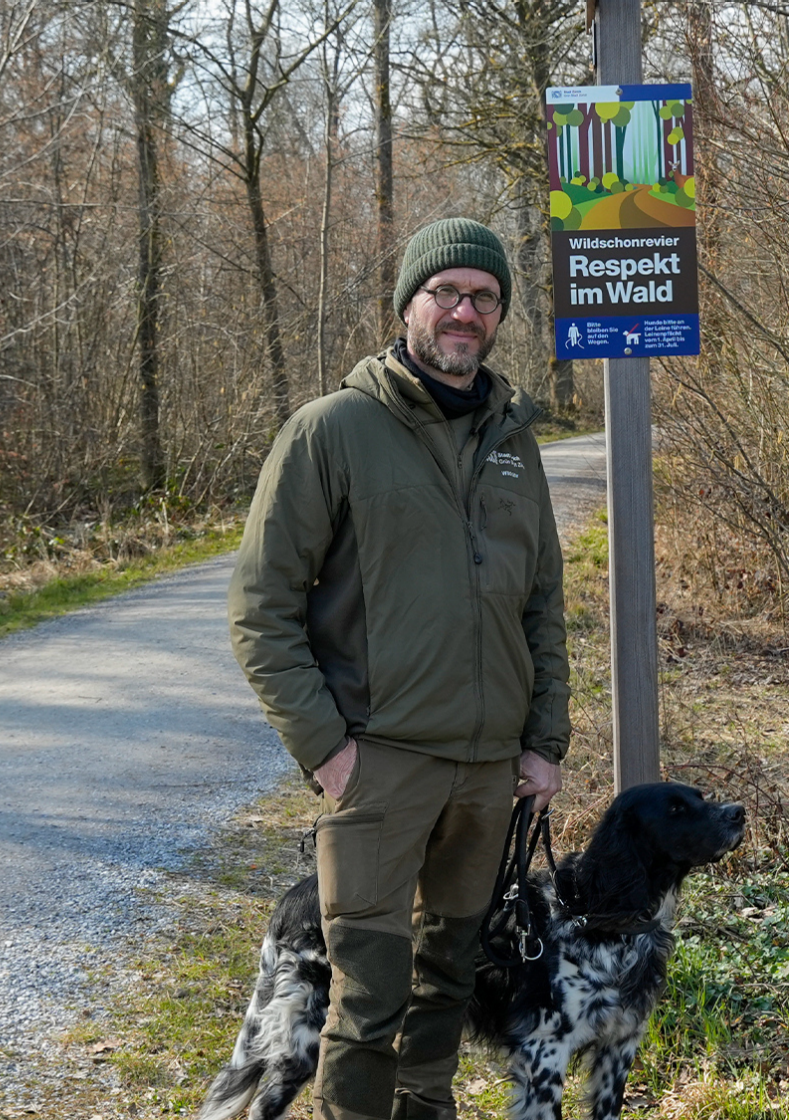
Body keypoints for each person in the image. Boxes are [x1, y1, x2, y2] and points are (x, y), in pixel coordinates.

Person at [228, 217, 570, 1120]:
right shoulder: (332, 430)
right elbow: (260, 609)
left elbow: (541, 607)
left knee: (444, 992)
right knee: (367, 999)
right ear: (410, 304)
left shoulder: (512, 442)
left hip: (488, 771)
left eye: (484, 297)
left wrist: (542, 744)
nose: (465, 310)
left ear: (498, 316)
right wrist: (328, 750)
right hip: (379, 766)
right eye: (447, 292)